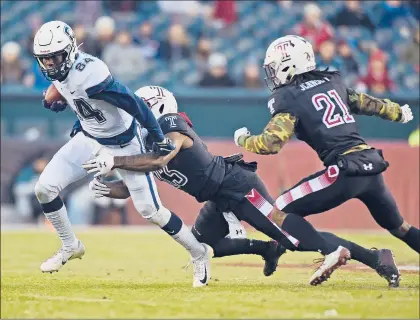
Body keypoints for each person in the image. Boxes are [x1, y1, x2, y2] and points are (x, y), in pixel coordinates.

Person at [83, 86, 400, 287]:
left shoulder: (170, 124)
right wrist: (110, 189)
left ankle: (375, 257)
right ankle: (266, 249)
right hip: (219, 197)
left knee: (295, 238)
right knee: (205, 245)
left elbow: (158, 158)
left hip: (238, 186)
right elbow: (142, 182)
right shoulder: (150, 143)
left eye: (140, 111)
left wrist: (115, 161)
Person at [32, 21, 209, 288]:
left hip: (124, 142)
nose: (51, 65)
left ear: (69, 51)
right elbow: (76, 96)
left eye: (55, 57)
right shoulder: (62, 73)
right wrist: (57, 102)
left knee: (151, 210)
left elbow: (134, 104)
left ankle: (199, 253)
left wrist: (158, 138)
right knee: (44, 189)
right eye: (45, 60)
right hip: (89, 139)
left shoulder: (91, 73)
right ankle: (71, 245)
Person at [233, 35, 418, 286]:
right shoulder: (332, 81)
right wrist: (396, 112)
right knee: (400, 228)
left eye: (275, 67)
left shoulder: (288, 96)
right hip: (372, 167)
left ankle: (339, 252)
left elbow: (271, 143)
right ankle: (374, 257)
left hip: (344, 171)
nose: (273, 75)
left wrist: (243, 139)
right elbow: (366, 102)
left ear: (289, 64)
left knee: (279, 209)